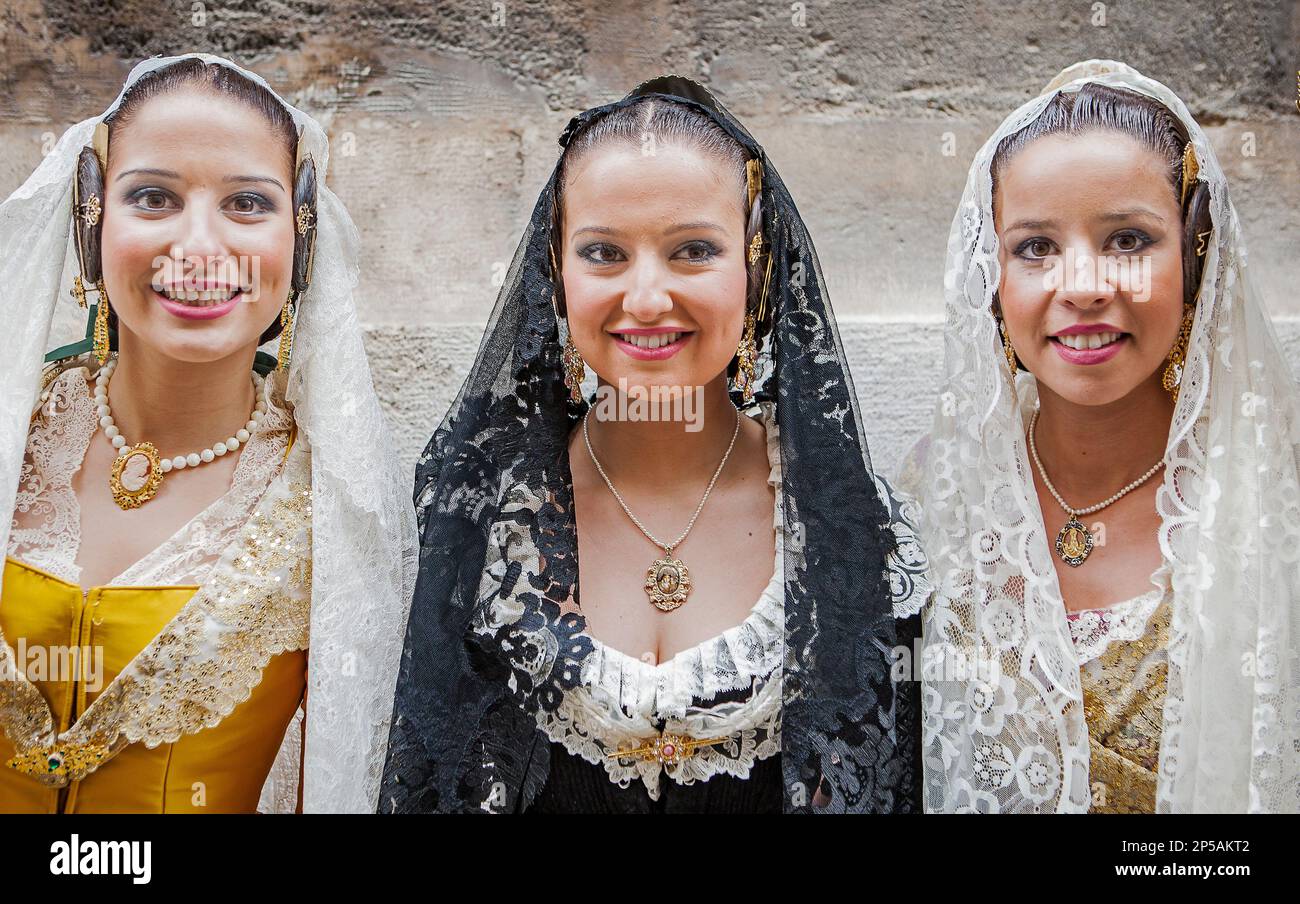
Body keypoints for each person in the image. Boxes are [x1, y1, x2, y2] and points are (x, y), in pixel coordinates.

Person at [380, 76, 930, 813]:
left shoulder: (849, 535)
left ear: (756, 267)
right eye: (603, 252)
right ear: (557, 273)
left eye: (693, 250)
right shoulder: (481, 526)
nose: (644, 298)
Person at [0, 54, 414, 813]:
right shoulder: (11, 435)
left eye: (248, 204)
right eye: (153, 197)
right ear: (91, 217)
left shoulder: (332, 506)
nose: (198, 246)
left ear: (302, 236)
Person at [903, 60, 1299, 813]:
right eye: (1035, 247)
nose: (1082, 284)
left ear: (1196, 262)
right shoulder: (940, 492)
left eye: (1127, 239)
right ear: (991, 280)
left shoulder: (1272, 503)